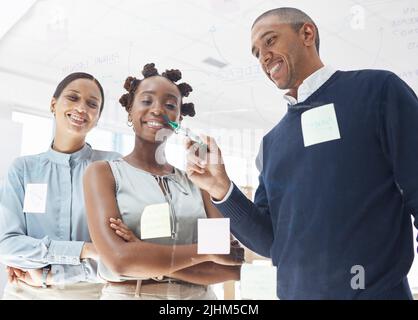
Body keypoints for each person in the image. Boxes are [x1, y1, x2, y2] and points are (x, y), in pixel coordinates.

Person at [185, 7, 418, 299]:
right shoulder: (272, 143)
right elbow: (270, 240)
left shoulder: (377, 91)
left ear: (307, 33)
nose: (263, 56)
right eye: (256, 53)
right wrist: (221, 188)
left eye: (270, 41)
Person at [83, 63, 244, 300]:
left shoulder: (199, 183)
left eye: (170, 105)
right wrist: (206, 251)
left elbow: (229, 267)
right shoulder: (102, 173)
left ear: (179, 118)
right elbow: (119, 261)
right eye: (146, 101)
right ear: (130, 110)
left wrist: (142, 254)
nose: (157, 110)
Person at [0, 72, 121, 299]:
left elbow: (120, 255)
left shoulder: (112, 166)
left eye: (92, 104)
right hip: (25, 292)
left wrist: (50, 275)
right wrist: (85, 250)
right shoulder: (23, 169)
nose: (82, 108)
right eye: (73, 98)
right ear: (53, 104)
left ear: (97, 117)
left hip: (90, 293)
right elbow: (7, 245)